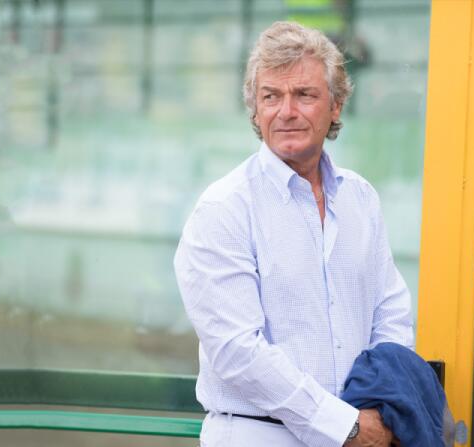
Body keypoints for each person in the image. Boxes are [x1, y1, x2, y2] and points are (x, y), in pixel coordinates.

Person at [174, 21, 414, 447]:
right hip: (258, 435)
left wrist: (379, 408)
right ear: (255, 110)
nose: (286, 111)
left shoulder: (360, 198)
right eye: (271, 96)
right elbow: (237, 352)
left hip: (365, 431)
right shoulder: (224, 209)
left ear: (336, 105)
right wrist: (344, 426)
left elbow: (390, 314)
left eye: (304, 94)